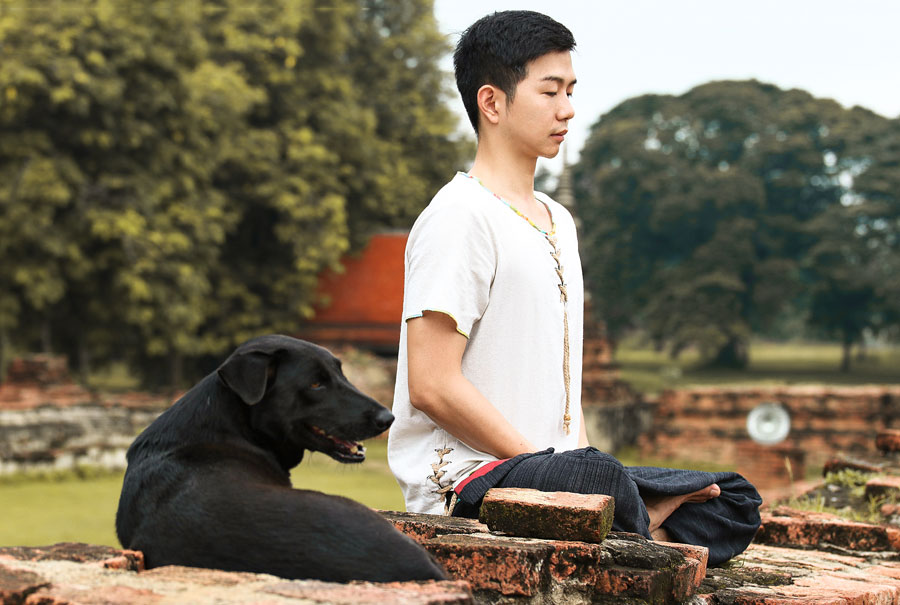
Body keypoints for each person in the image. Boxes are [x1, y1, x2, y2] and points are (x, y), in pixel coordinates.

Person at [387, 10, 761, 566]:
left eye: (570, 90)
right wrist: (561, 469)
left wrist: (576, 467)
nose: (568, 109)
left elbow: (566, 388)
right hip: (470, 478)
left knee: (732, 497)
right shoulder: (459, 217)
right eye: (550, 91)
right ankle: (627, 520)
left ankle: (624, 525)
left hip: (555, 469)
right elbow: (432, 386)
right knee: (593, 472)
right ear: (492, 103)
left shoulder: (558, 219)